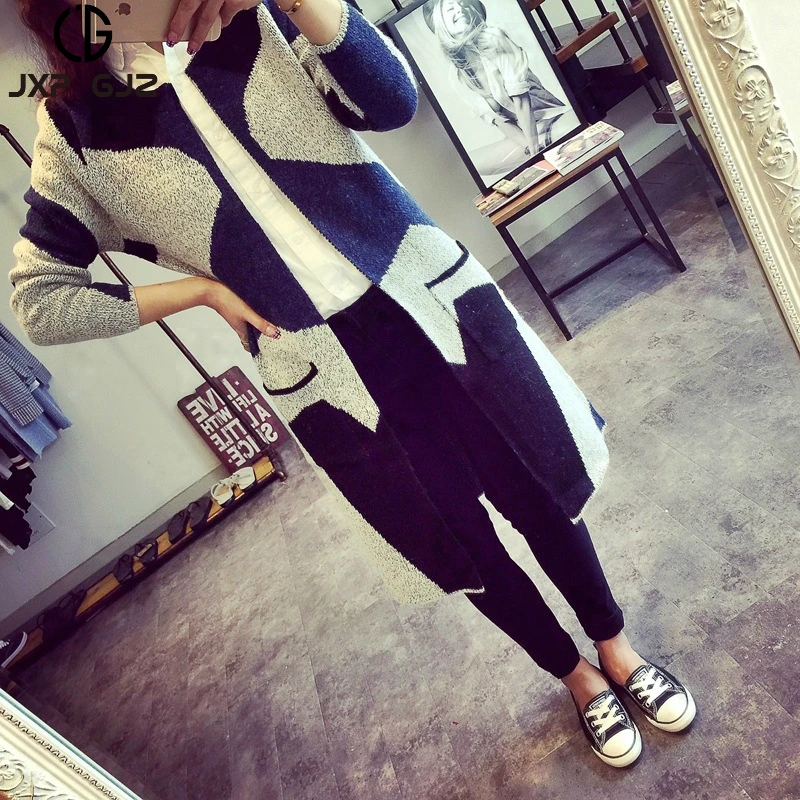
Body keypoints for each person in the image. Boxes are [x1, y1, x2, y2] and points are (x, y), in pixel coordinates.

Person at [10, 0, 695, 767]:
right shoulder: (75, 125)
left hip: (428, 302)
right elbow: (42, 300)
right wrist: (199, 291)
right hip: (321, 374)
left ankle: (616, 648)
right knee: (457, 543)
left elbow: (390, 101)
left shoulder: (260, 16)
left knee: (536, 484)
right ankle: (575, 677)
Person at [423, 0, 565, 168]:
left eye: (462, 3)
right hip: (522, 134)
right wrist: (527, 148)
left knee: (542, 151)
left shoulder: (494, 38)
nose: (460, 8)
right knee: (476, 163)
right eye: (450, 8)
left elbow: (521, 101)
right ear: (440, 24)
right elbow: (500, 121)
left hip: (548, 118)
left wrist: (536, 154)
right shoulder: (456, 77)